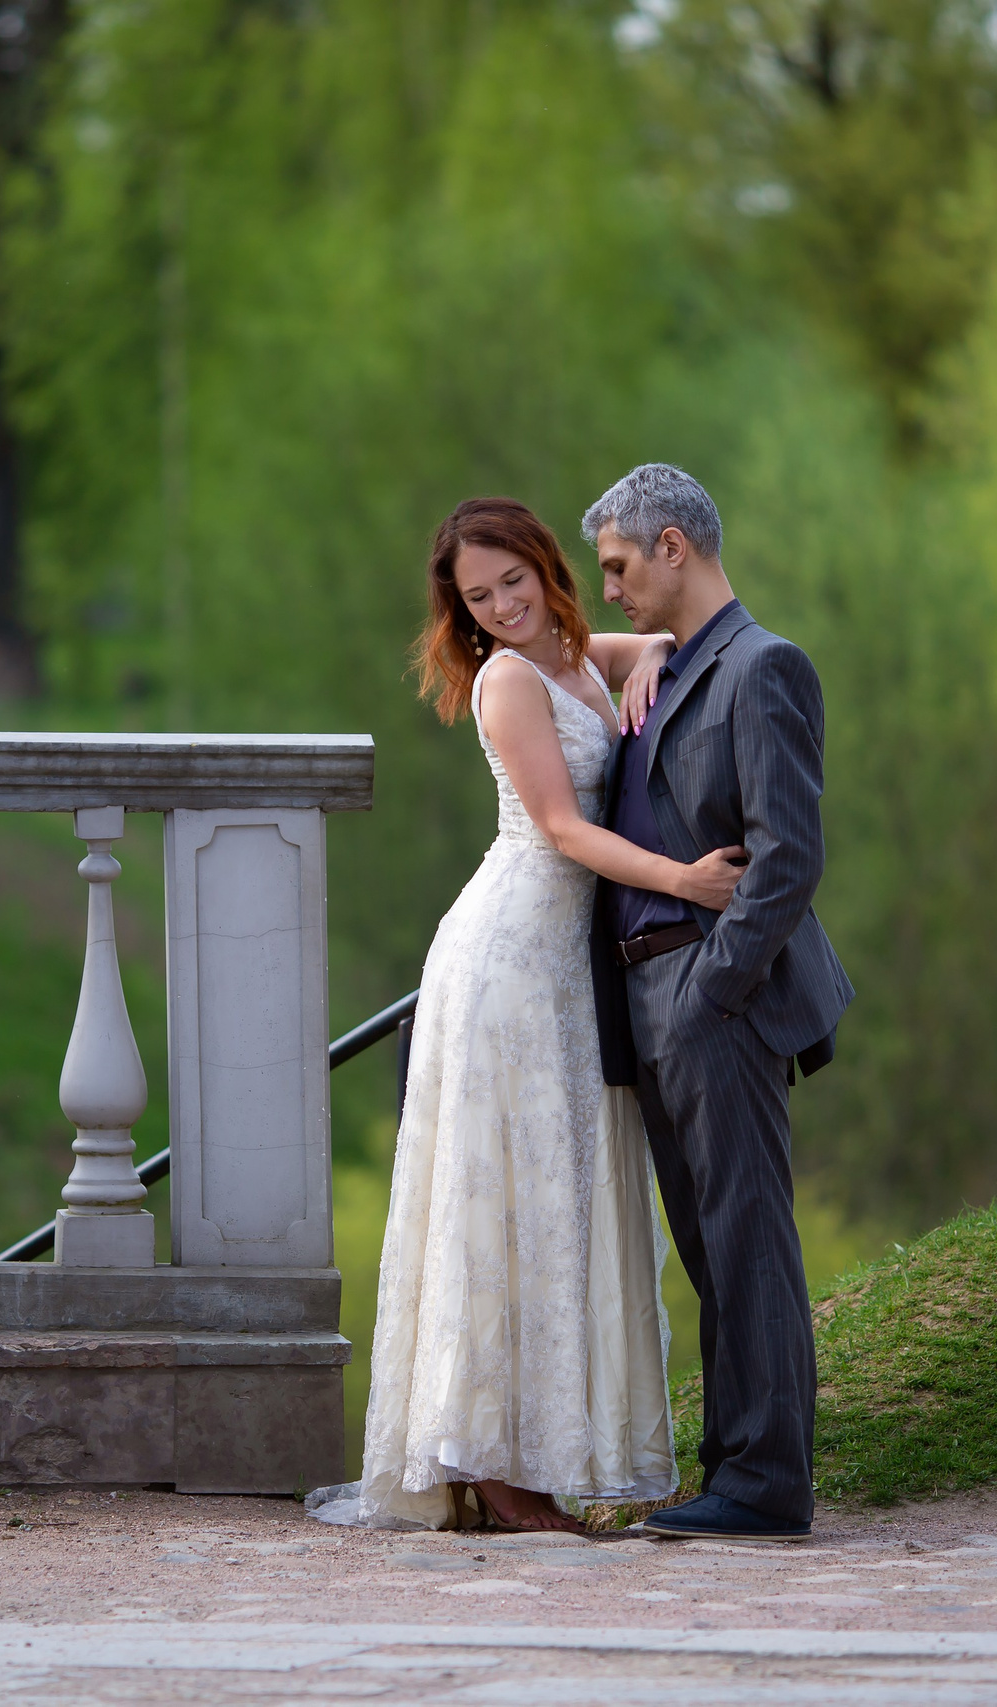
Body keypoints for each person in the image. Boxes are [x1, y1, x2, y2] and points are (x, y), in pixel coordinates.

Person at [318, 495, 743, 1532]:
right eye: (479, 597)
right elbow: (559, 827)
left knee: (559, 1204)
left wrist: (642, 656)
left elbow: (649, 635)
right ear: (459, 613)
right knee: (504, 1205)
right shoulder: (508, 681)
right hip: (507, 961)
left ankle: (538, 1462)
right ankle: (495, 1472)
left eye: (513, 579)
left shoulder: (565, 648)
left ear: (541, 566)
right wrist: (683, 883)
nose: (503, 605)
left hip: (568, 969)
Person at [582, 464, 854, 1543]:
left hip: (715, 997)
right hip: (645, 1000)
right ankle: (729, 1470)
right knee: (708, 1248)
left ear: (672, 548)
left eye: (616, 565)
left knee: (748, 1241)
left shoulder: (764, 668)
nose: (606, 589)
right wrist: (646, 650)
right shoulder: (670, 666)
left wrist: (711, 992)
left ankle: (767, 1482)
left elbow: (787, 861)